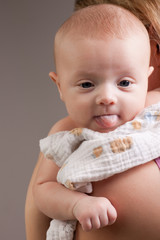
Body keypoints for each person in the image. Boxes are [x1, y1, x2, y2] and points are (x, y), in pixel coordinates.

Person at [25, 1, 160, 240]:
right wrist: (76, 205)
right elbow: (43, 190)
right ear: (60, 86)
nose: (107, 98)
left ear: (146, 74)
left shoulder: (152, 111)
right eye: (87, 84)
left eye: (124, 83)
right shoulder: (66, 132)